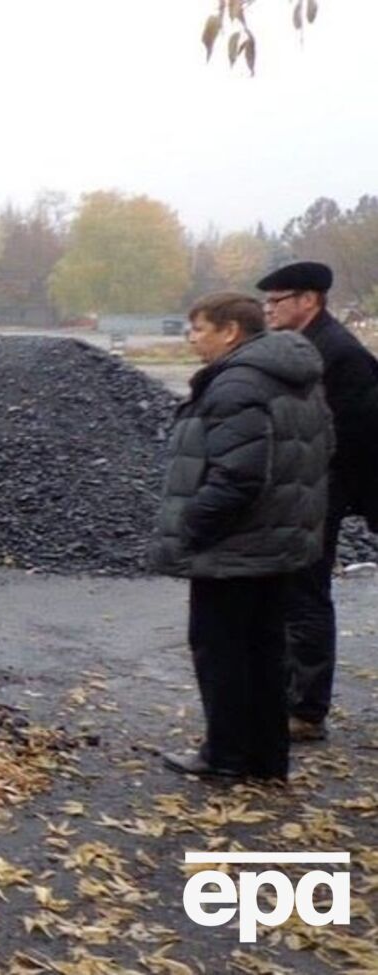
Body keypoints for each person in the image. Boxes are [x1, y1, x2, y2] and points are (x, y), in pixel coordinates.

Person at [151, 292, 332, 780]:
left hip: (233, 547)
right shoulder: (295, 379)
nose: (192, 338)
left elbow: (238, 478)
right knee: (264, 651)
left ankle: (226, 756)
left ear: (230, 331)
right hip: (276, 543)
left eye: (199, 328)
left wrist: (191, 526)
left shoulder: (237, 386)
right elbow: (320, 452)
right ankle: (266, 757)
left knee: (222, 652)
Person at [258, 261, 378, 742]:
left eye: (277, 300)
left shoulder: (338, 352)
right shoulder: (304, 345)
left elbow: (353, 435)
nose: (268, 309)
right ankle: (291, 695)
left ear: (309, 300)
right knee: (293, 592)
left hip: (321, 490)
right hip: (307, 488)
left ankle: (306, 709)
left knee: (306, 594)